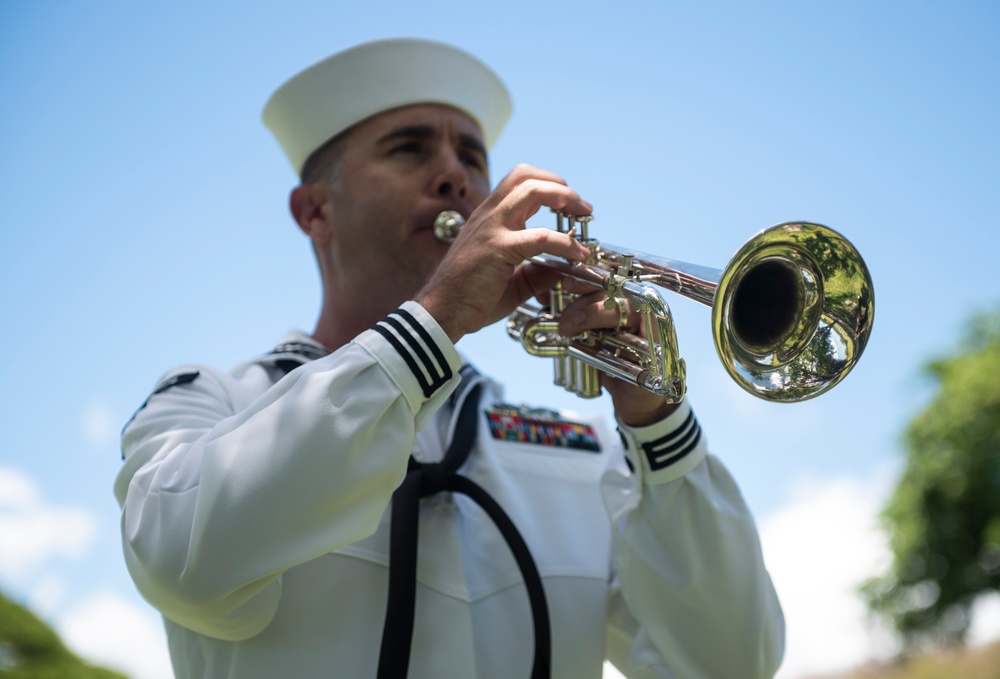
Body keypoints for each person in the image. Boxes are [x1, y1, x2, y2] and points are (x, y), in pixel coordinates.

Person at [115, 38, 784, 679]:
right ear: (314, 210)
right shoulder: (209, 401)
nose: (456, 175)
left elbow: (729, 662)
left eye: (472, 155)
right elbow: (181, 560)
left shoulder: (585, 450)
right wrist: (434, 320)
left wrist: (658, 421)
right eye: (408, 149)